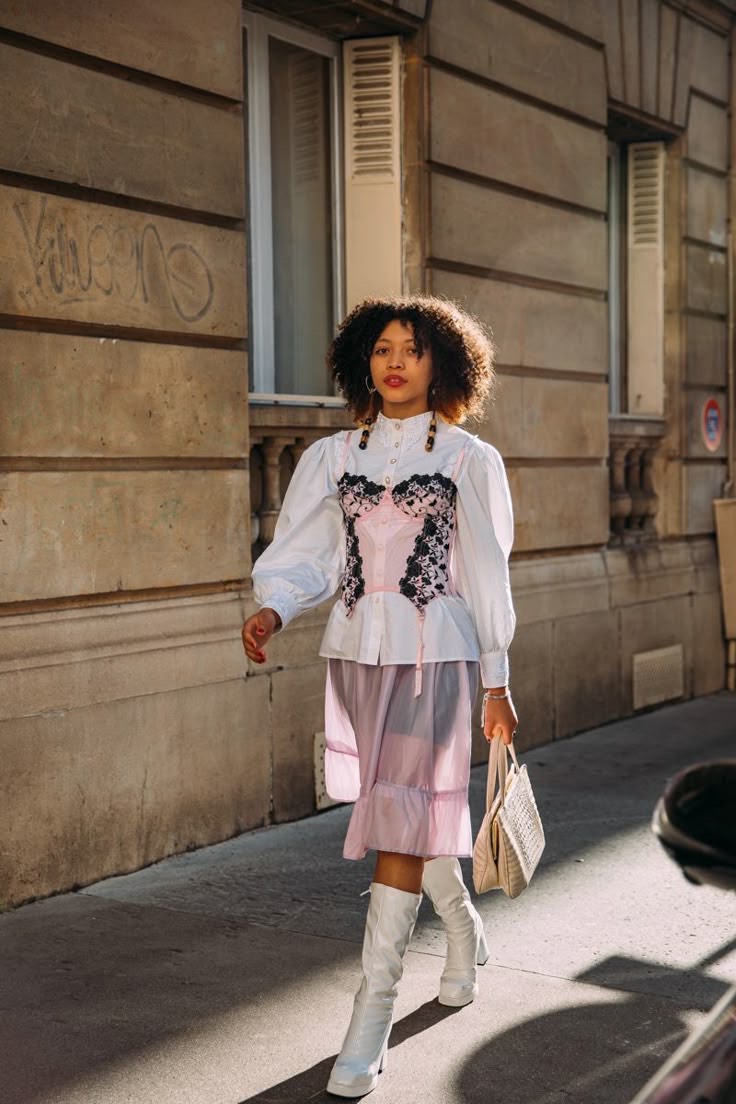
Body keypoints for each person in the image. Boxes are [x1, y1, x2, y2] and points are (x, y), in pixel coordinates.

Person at [242, 295, 518, 1098]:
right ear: (363, 360)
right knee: (400, 808)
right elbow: (313, 556)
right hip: (358, 656)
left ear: (444, 365)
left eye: (413, 349)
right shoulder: (333, 457)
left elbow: (486, 574)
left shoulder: (470, 460)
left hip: (438, 661)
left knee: (400, 813)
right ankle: (464, 936)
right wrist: (276, 607)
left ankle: (372, 1014)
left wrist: (497, 682)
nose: (395, 361)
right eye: (382, 348)